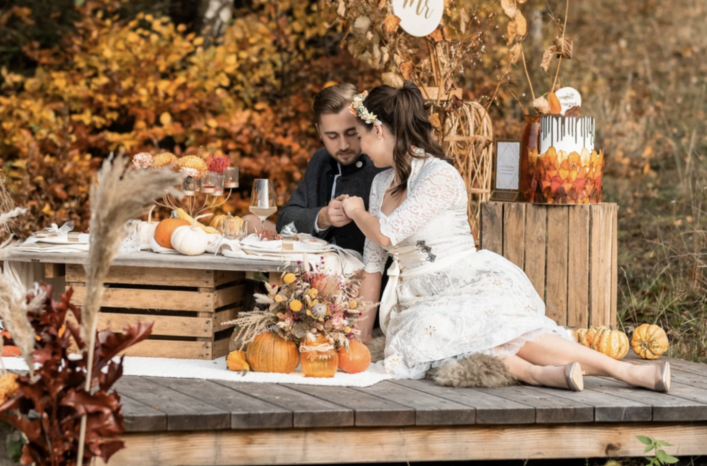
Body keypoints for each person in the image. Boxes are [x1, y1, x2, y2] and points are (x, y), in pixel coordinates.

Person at [336, 82, 669, 393]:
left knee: (494, 323)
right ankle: (537, 373)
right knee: (437, 328)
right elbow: (373, 264)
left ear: (378, 130)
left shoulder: (439, 176)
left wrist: (356, 211)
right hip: (418, 297)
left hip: (464, 279)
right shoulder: (381, 184)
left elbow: (384, 233)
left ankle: (624, 371)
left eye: (360, 136)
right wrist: (362, 336)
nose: (359, 148)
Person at [272, 83, 387, 252]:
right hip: (316, 269)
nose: (343, 145)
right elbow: (285, 219)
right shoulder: (320, 159)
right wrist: (323, 216)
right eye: (332, 136)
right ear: (319, 131)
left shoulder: (381, 161)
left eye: (351, 133)